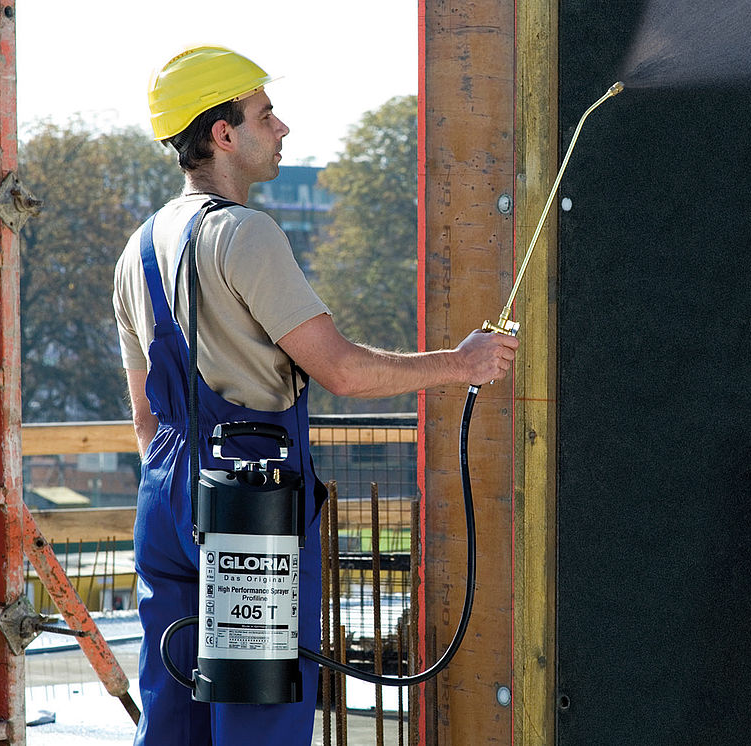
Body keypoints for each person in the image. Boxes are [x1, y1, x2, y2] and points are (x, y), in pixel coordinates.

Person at [112, 45, 518, 746]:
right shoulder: (245, 234)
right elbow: (345, 372)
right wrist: (461, 363)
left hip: (166, 492)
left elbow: (147, 417)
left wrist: (182, 493)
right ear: (223, 133)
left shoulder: (138, 248)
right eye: (265, 114)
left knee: (172, 713)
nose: (283, 129)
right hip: (250, 499)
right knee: (259, 717)